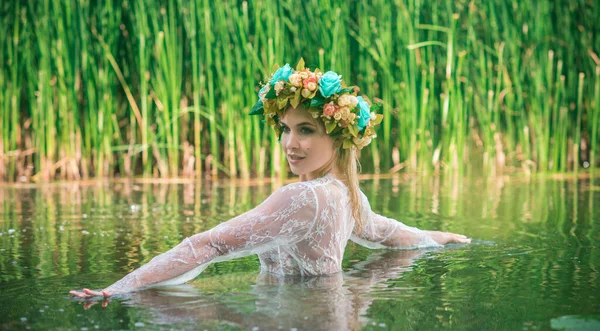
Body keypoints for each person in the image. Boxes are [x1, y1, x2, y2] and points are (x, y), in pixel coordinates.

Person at [70, 59, 470, 300]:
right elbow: (397, 236)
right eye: (283, 128)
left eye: (306, 130)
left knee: (168, 313)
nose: (289, 143)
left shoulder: (304, 197)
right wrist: (444, 238)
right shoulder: (350, 197)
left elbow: (210, 244)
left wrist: (120, 288)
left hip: (297, 329)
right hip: (325, 325)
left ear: (339, 136)